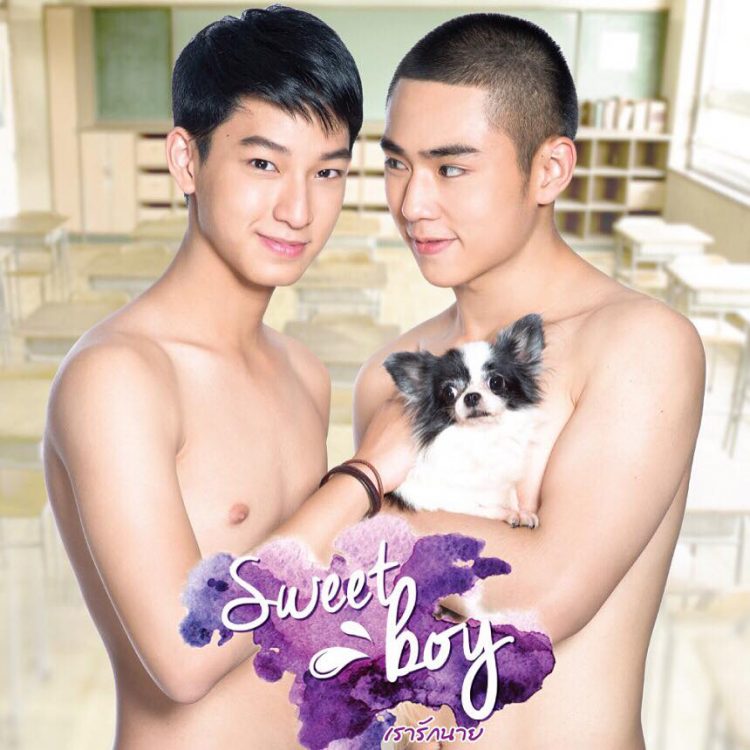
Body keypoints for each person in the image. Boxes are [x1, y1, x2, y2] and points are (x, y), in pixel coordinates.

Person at [43, 7, 413, 749]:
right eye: (263, 164)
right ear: (187, 160)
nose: (298, 209)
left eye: (327, 172)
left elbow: (302, 611)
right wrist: (366, 474)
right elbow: (185, 655)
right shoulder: (118, 377)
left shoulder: (304, 373)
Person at [354, 13, 705, 748]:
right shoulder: (392, 371)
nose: (412, 203)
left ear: (549, 169)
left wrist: (351, 504)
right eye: (396, 163)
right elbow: (388, 624)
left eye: (450, 168)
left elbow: (543, 596)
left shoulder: (639, 344)